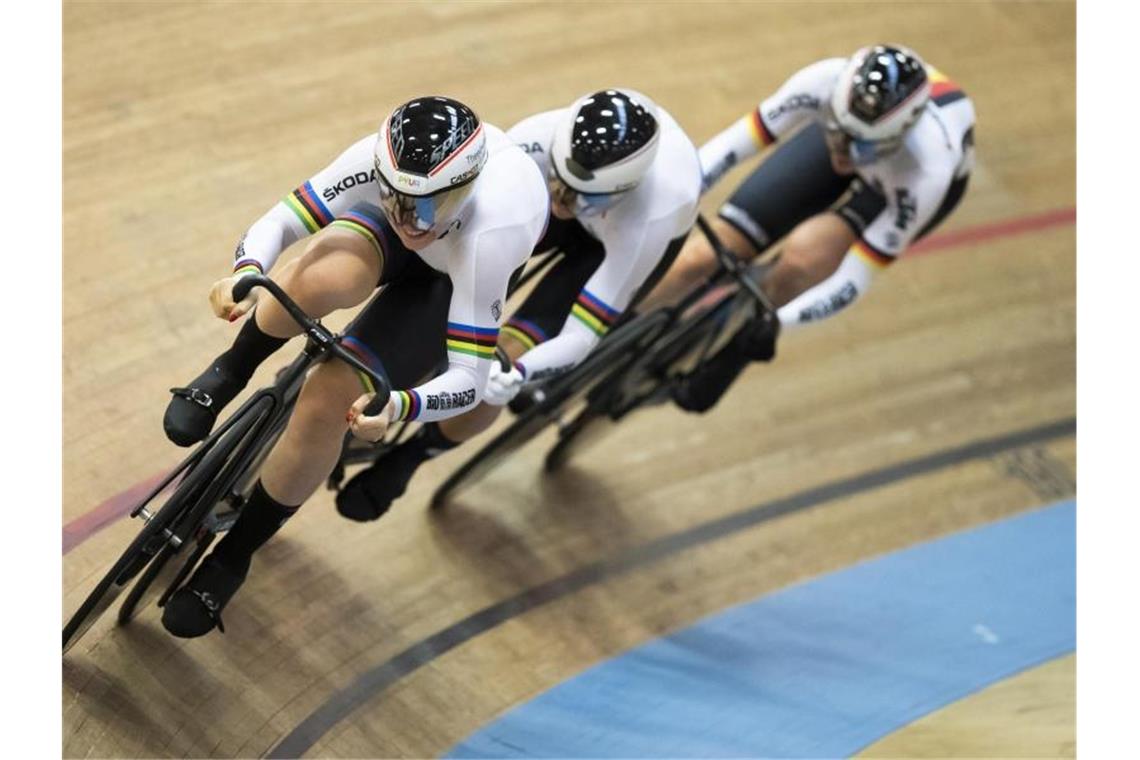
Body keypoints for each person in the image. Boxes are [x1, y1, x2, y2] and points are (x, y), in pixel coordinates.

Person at [159, 96, 549, 637]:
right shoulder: (373, 163)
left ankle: (234, 556)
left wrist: (399, 403)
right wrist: (245, 273)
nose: (414, 220)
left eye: (433, 203)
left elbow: (470, 380)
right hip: (389, 239)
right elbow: (284, 221)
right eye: (400, 197)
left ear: (469, 187)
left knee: (329, 398)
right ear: (383, 173)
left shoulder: (494, 231)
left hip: (449, 280)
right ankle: (229, 369)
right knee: (324, 276)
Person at [333, 89, 702, 522]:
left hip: (611, 247)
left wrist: (520, 373)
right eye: (560, 182)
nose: (565, 202)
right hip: (555, 205)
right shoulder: (534, 143)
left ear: (625, 189)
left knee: (503, 364)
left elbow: (580, 335)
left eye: (583, 197)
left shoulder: (651, 217)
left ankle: (412, 455)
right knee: (466, 279)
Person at [639, 45, 976, 411]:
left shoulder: (929, 169)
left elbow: (854, 277)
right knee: (701, 255)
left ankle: (740, 335)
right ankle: (618, 319)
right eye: (840, 134)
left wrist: (779, 320)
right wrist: (677, 198)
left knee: (802, 262)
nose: (845, 155)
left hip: (893, 185)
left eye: (858, 147)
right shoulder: (824, 82)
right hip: (861, 135)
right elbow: (730, 147)